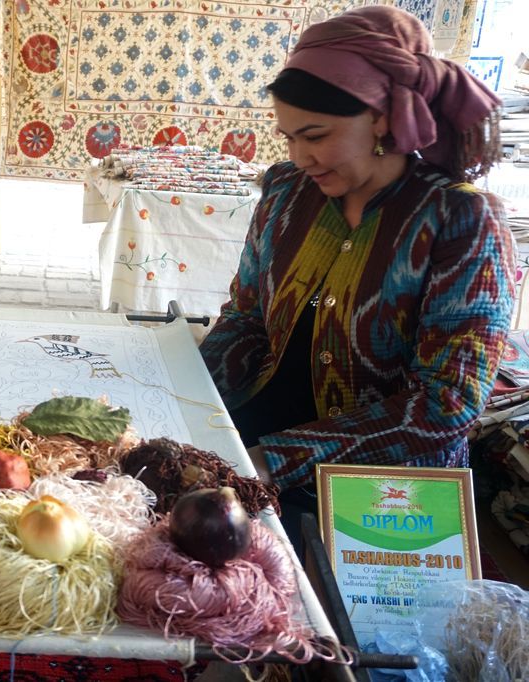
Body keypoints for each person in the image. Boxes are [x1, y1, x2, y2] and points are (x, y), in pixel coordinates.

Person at [199, 5, 516, 549]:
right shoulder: (286, 193)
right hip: (251, 446)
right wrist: (189, 402)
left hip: (383, 499)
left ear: (381, 118)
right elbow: (248, 316)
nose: (299, 157)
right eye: (288, 138)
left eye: (315, 135)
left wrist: (275, 459)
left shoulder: (460, 222)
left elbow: (448, 403)